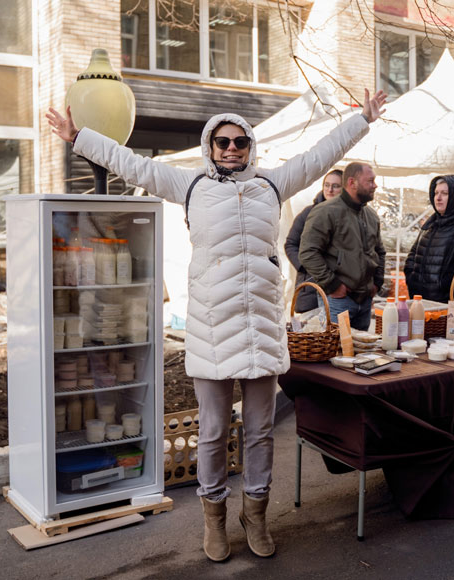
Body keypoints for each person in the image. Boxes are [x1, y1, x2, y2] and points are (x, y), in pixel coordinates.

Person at [47, 89, 387, 562]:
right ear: (210, 145)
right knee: (211, 432)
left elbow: (319, 156)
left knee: (262, 431)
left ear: (250, 147)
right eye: (223, 141)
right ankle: (215, 520)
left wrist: (361, 119)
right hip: (211, 327)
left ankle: (257, 514)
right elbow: (134, 165)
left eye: (240, 142)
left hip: (262, 328)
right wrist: (79, 137)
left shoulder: (272, 184)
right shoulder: (189, 186)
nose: (231, 148)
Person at [298, 162, 386, 331]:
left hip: (365, 301)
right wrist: (332, 285)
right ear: (352, 182)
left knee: (361, 354)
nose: (375, 185)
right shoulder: (325, 211)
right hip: (338, 300)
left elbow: (379, 251)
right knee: (335, 353)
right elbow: (308, 252)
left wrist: (377, 283)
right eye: (370, 181)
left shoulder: (371, 215)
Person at [404, 175, 454, 303]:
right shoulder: (428, 227)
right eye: (436, 193)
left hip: (446, 307)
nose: (438, 198)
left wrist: (443, 287)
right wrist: (411, 279)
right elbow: (412, 256)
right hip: (418, 302)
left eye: (445, 193)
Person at [284, 169, 343, 313]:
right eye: (326, 185)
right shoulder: (308, 213)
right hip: (311, 288)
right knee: (311, 331)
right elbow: (291, 244)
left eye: (335, 186)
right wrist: (305, 266)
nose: (330, 190)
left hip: (340, 289)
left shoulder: (351, 216)